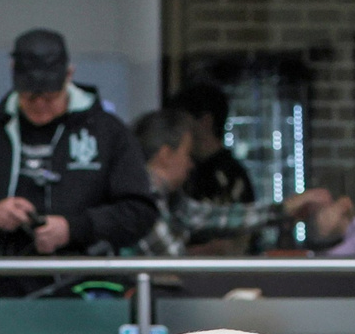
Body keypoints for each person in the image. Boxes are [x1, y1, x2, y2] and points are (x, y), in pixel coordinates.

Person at [0, 29, 156, 285]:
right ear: (13, 72)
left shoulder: (108, 132)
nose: (40, 105)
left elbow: (139, 213)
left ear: (69, 75)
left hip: (84, 289)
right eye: (30, 96)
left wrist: (74, 228)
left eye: (50, 96)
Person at [132, 107, 325, 259]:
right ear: (165, 155)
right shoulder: (139, 200)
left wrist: (283, 209)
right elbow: (174, 266)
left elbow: (211, 215)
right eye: (187, 154)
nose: (191, 164)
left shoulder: (168, 198)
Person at [166, 82, 255, 208]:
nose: (178, 129)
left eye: (183, 121)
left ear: (205, 121)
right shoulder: (186, 169)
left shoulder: (228, 176)